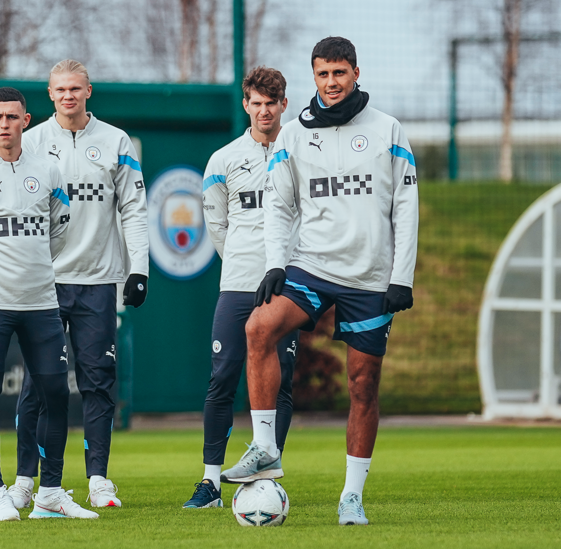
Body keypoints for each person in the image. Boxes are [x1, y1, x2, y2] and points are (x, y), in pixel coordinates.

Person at [224, 37, 418, 526]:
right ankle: (265, 448)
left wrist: (402, 276)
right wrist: (275, 263)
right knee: (258, 328)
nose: (331, 83)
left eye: (339, 73)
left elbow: (406, 207)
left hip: (371, 278)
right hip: (311, 267)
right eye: (322, 74)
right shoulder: (292, 135)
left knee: (362, 386)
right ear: (313, 77)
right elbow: (279, 206)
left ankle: (352, 497)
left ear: (356, 72)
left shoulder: (388, 130)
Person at [0, 86, 98, 521]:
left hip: (43, 304)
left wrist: (39, 264)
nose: (5, 124)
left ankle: (50, 494)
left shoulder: (48, 170)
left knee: (56, 396)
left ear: (27, 120)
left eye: (13, 117)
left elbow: (60, 227)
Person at [10, 59, 149, 509]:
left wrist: (139, 269)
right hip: (43, 286)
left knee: (98, 383)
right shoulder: (30, 143)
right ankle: (25, 481)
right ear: (49, 95)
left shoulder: (116, 141)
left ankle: (98, 480)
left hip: (97, 283)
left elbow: (133, 209)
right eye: (60, 89)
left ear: (89, 91)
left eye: (75, 88)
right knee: (37, 385)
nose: (68, 95)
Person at [183, 66, 299, 509]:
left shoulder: (301, 153)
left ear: (284, 104)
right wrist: (242, 261)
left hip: (288, 284)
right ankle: (211, 481)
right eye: (257, 102)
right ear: (245, 104)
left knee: (281, 381)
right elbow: (218, 225)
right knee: (222, 379)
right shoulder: (223, 159)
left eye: (273, 103)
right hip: (237, 283)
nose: (265, 110)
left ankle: (268, 474)